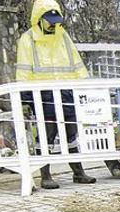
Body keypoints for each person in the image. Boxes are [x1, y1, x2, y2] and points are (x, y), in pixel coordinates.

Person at [15, 0, 96, 189]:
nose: (53, 24)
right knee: (46, 135)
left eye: (55, 20)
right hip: (42, 94)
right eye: (49, 20)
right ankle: (45, 175)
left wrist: (86, 87)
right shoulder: (28, 39)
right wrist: (25, 99)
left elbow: (77, 64)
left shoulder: (63, 37)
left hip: (66, 92)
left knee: (71, 132)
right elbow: (23, 70)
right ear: (39, 19)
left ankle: (78, 172)